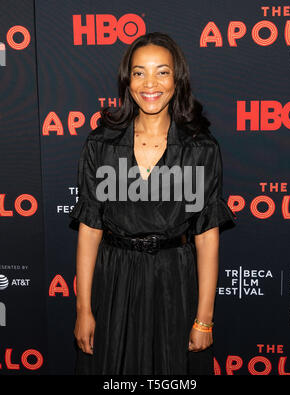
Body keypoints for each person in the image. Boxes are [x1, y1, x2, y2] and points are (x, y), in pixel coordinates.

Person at [69, 32, 236, 375]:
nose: (150, 83)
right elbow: (89, 230)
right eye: (139, 72)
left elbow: (206, 237)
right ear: (127, 80)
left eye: (162, 72)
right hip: (115, 281)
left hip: (175, 280)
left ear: (178, 79)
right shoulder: (101, 145)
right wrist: (83, 309)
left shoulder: (200, 149)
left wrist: (204, 319)